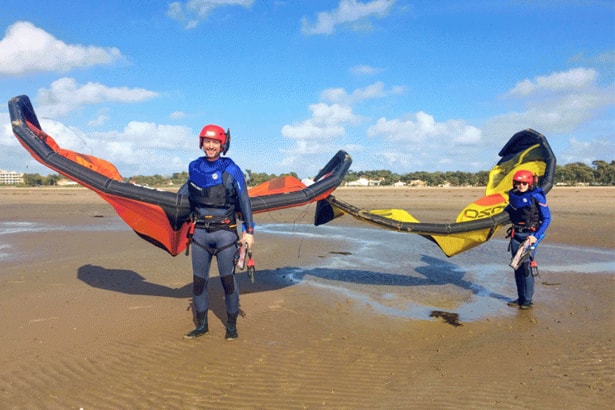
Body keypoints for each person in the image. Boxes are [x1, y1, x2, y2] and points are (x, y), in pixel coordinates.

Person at [183, 124, 254, 340]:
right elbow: (183, 196)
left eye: (215, 142)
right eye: (207, 141)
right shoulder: (194, 167)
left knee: (228, 282)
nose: (211, 146)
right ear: (201, 143)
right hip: (200, 235)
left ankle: (231, 328)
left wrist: (249, 231)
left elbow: (245, 200)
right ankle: (201, 326)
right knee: (199, 283)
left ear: (222, 145)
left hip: (225, 234)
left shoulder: (231, 169)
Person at [504, 169, 551, 310]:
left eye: (524, 183)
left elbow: (547, 219)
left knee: (525, 267)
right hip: (515, 235)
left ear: (530, 183)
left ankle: (527, 301)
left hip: (529, 237)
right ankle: (521, 298)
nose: (521, 185)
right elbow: (507, 212)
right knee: (516, 266)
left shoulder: (537, 196)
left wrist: (534, 237)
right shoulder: (513, 196)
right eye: (518, 183)